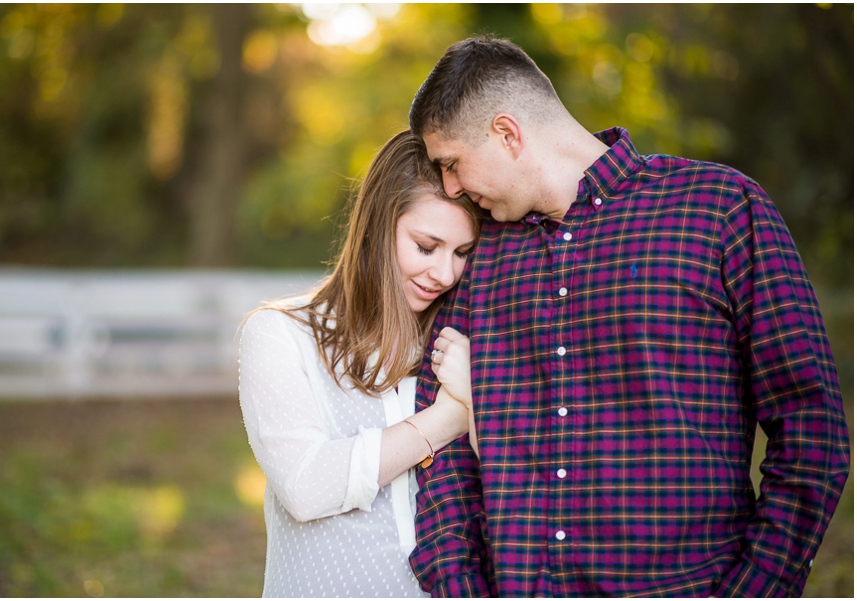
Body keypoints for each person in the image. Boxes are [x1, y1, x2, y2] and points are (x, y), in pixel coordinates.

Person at [407, 37, 850, 598]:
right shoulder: (478, 254)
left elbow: (811, 428)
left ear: (506, 133)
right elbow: (441, 449)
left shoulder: (718, 210)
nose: (450, 187)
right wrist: (459, 587)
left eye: (451, 164)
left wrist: (756, 589)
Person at [238, 130, 479, 597]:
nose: (445, 274)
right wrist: (450, 417)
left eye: (462, 253)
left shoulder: (459, 346)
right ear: (374, 226)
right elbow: (306, 486)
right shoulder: (281, 335)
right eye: (426, 246)